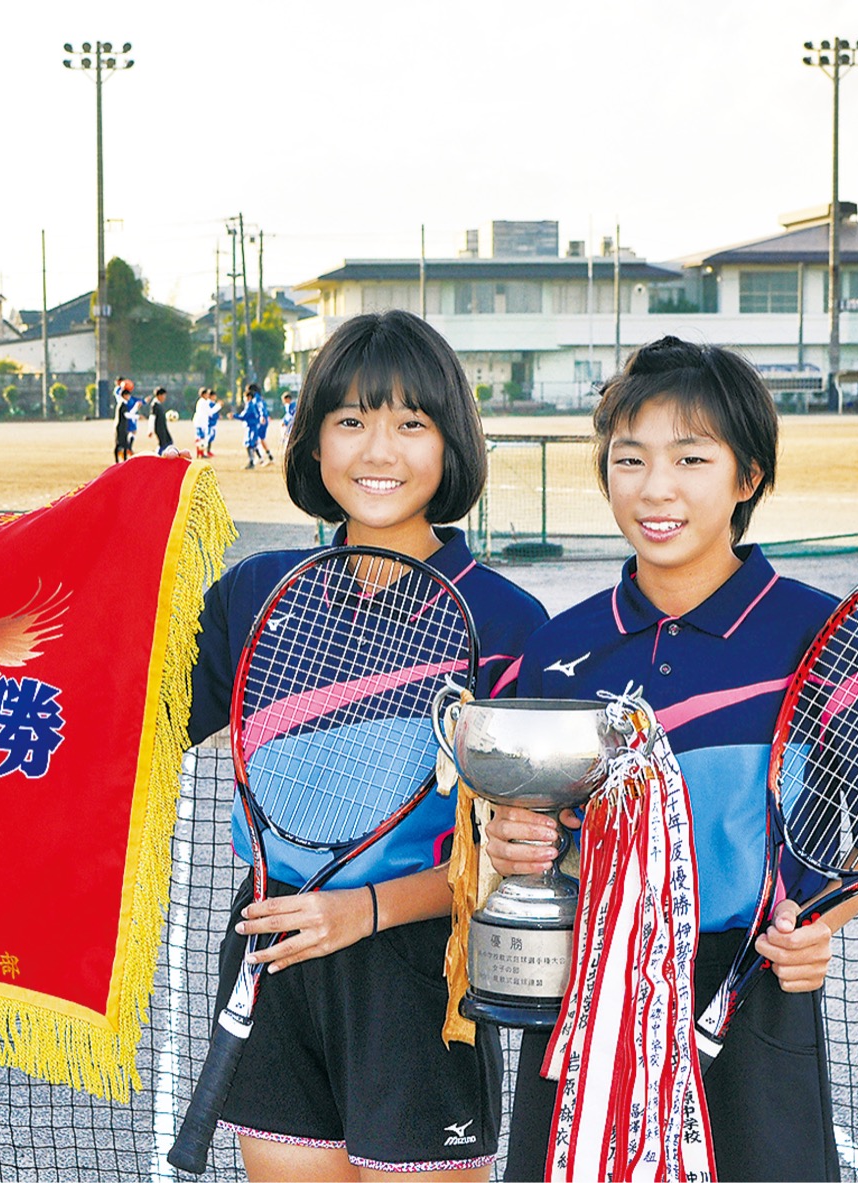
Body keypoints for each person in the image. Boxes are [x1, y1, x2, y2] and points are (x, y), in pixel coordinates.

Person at [486, 336, 858, 1183]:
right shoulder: (564, 645)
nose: (655, 487)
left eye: (691, 457)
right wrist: (516, 845)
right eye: (629, 458)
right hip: (589, 985)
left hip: (748, 988)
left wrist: (814, 926)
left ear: (747, 477)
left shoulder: (819, 632)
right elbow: (535, 824)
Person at [187, 309, 548, 1180]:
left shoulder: (507, 622)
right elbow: (135, 726)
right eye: (350, 420)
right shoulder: (253, 596)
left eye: (409, 424)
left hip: (419, 973)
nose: (377, 450)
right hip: (273, 949)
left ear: (450, 443)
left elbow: (525, 852)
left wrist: (362, 910)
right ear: (312, 444)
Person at [233, 387, 264, 469]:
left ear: (249, 397)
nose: (244, 399)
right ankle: (258, 459)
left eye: (245, 397)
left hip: (252, 427)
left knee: (249, 444)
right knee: (252, 444)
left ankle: (252, 462)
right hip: (252, 426)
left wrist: (234, 415)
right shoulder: (252, 405)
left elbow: (243, 416)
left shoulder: (250, 406)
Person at [148, 387, 180, 456]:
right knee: (163, 444)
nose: (165, 397)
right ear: (159, 395)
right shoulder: (154, 405)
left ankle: (162, 455)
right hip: (159, 429)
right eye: (164, 395)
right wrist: (150, 430)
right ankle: (158, 456)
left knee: (169, 442)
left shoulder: (159, 404)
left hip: (163, 428)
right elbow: (152, 418)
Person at [192, 387, 213, 458]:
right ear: (203, 394)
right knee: (200, 438)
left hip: (201, 423)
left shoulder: (201, 401)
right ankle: (200, 453)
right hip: (200, 423)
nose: (208, 395)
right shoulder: (203, 402)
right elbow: (210, 412)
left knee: (201, 438)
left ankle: (200, 453)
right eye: (207, 394)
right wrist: (218, 406)